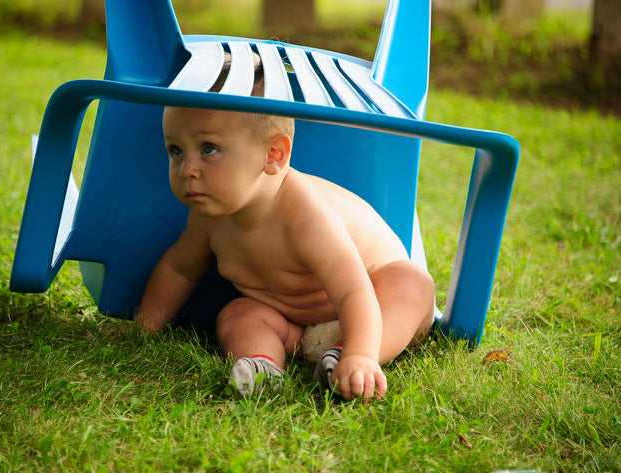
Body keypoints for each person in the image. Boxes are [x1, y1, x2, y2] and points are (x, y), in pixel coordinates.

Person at [134, 56, 435, 401]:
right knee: (237, 313)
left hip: (371, 310)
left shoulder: (306, 216)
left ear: (273, 155)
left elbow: (355, 291)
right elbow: (179, 269)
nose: (187, 169)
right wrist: (144, 328)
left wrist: (360, 353)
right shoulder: (209, 215)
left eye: (208, 149)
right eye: (175, 151)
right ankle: (263, 366)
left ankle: (349, 360)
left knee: (412, 285)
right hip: (290, 328)